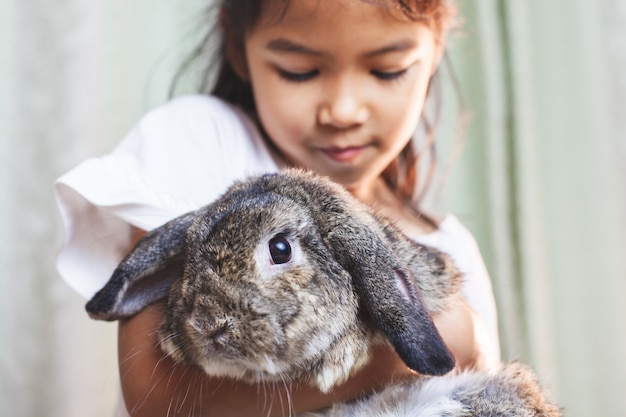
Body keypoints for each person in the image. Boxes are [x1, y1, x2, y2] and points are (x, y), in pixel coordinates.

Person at [55, 0, 501, 416]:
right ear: (238, 47)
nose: (342, 111)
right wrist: (446, 341)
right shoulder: (198, 139)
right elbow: (153, 393)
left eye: (388, 71)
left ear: (436, 47)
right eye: (300, 71)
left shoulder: (450, 246)